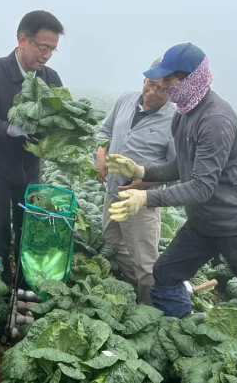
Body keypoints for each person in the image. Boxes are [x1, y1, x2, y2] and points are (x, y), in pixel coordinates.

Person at [105, 43, 237, 367]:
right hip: (204, 225)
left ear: (190, 79)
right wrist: (142, 171)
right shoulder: (184, 115)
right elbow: (181, 166)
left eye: (169, 80)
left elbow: (202, 186)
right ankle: (183, 336)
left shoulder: (216, 119)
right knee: (165, 274)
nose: (162, 86)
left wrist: (147, 197)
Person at [0, 10, 64, 284]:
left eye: (52, 50)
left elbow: (60, 118)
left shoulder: (51, 79)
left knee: (29, 235)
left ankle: (22, 287)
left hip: (29, 173)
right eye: (43, 47)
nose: (46, 56)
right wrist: (10, 129)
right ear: (22, 39)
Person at [95, 57, 175, 305]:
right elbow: (104, 131)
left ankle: (150, 310)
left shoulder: (176, 119)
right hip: (113, 191)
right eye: (150, 84)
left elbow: (177, 168)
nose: (153, 92)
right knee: (112, 242)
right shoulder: (126, 100)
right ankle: (136, 291)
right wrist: (100, 155)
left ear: (172, 90)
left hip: (141, 201)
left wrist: (145, 184)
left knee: (145, 261)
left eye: (162, 89)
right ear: (144, 79)